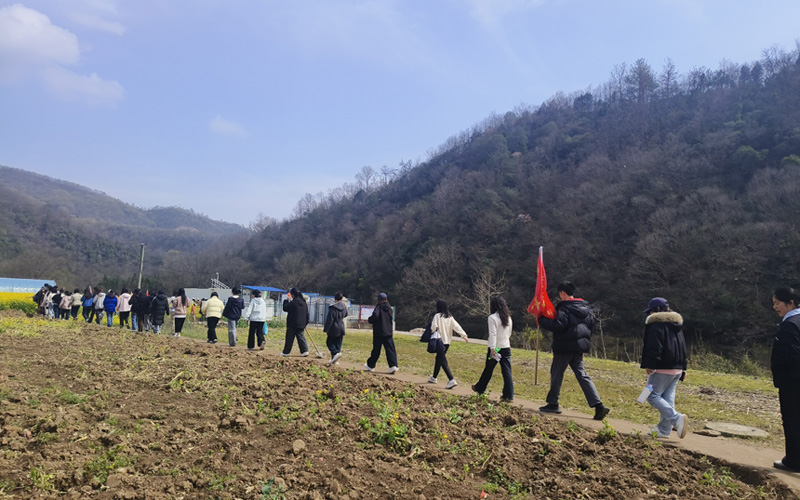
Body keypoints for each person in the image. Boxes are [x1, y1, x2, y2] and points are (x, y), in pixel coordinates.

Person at [537, 281, 610, 420]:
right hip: (579, 348)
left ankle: (553, 404)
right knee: (582, 375)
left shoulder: (564, 308)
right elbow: (590, 326)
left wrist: (541, 320)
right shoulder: (586, 308)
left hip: (564, 347)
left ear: (562, 293)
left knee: (557, 374)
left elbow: (558, 325)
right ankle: (598, 405)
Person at [641, 297, 688, 439]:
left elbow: (654, 348)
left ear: (657, 309)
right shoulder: (676, 325)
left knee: (652, 396)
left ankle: (676, 418)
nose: (649, 314)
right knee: (668, 399)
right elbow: (683, 347)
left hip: (662, 367)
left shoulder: (656, 325)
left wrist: (650, 364)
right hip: (677, 368)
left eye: (650, 311)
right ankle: (664, 430)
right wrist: (684, 367)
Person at [771, 287, 800, 472]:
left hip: (792, 382)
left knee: (792, 420)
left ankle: (793, 460)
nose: (775, 307)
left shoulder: (790, 325)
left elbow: (790, 356)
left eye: (777, 303)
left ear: (790, 303)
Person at [472, 296, 514, 402]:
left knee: (489, 368)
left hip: (497, 348)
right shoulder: (508, 318)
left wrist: (493, 348)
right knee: (507, 371)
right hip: (506, 347)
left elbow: (493, 334)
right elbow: (509, 333)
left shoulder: (492, 318)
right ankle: (509, 395)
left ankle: (480, 388)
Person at [428, 299, 469, 389]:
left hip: (439, 341)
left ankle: (451, 379)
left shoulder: (437, 316)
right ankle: (434, 377)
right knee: (439, 359)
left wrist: (431, 331)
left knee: (442, 361)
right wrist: (464, 335)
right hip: (447, 342)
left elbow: (433, 327)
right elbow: (457, 326)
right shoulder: (450, 317)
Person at [364, 292, 398, 374]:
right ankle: (393, 366)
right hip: (388, 332)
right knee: (390, 349)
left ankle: (371, 365)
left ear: (379, 300)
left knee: (376, 350)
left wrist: (370, 320)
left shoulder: (379, 307)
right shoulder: (389, 308)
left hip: (379, 332)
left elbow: (375, 316)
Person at [281, 288, 309, 357]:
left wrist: (287, 300)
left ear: (293, 295)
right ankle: (304, 351)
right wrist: (306, 323)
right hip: (301, 323)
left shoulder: (294, 302)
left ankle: (286, 352)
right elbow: (307, 314)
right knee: (301, 337)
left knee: (289, 338)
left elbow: (285, 308)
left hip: (292, 323)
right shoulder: (304, 302)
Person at [323, 292, 348, 365]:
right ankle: (335, 360)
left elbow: (329, 319)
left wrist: (326, 329)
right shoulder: (344, 306)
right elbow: (346, 314)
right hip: (341, 326)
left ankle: (335, 354)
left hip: (334, 327)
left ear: (335, 298)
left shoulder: (333, 308)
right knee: (338, 343)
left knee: (329, 342)